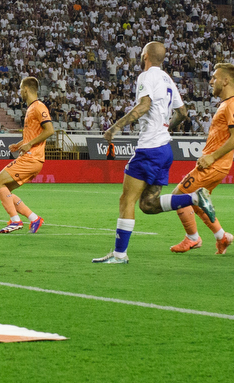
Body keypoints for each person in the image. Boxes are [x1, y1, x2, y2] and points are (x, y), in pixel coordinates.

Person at [92, 41, 214, 264]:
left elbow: (144, 105)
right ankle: (194, 197)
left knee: (126, 200)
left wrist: (114, 128)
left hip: (149, 148)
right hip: (165, 149)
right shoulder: (168, 79)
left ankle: (119, 255)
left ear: (145, 55)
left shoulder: (146, 76)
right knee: (148, 204)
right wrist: (168, 126)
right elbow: (182, 112)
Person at [171, 62, 234, 255]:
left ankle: (193, 239)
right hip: (215, 164)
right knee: (196, 200)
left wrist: (211, 157)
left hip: (214, 165)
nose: (211, 81)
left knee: (178, 196)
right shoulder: (226, 104)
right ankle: (222, 238)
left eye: (215, 77)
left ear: (226, 80)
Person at [0, 76, 51, 234]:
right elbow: (32, 136)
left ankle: (15, 221)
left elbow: (50, 130)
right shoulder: (32, 108)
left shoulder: (39, 107)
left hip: (32, 157)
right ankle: (34, 218)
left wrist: (29, 145)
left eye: (20, 89)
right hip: (31, 157)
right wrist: (20, 144)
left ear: (26, 89)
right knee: (5, 190)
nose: (19, 92)